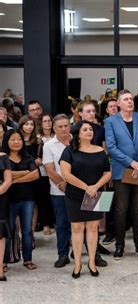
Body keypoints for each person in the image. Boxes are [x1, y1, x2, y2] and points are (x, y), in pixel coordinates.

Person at [104, 89, 138, 260]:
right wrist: (131, 163)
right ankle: (120, 246)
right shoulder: (110, 121)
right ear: (118, 103)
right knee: (121, 210)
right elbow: (111, 147)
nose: (130, 102)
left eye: (131, 99)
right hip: (121, 171)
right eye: (125, 99)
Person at [60, 121, 111, 279]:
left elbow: (107, 173)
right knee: (77, 228)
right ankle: (77, 264)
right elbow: (66, 174)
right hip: (75, 194)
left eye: (91, 129)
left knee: (93, 228)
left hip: (96, 194)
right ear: (77, 133)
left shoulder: (100, 151)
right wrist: (86, 187)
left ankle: (91, 262)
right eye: (85, 129)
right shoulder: (69, 151)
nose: (89, 131)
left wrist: (95, 187)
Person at [4, 129, 40, 270]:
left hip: (27, 199)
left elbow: (35, 175)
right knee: (8, 230)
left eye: (19, 139)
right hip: (9, 200)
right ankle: (4, 260)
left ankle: (28, 259)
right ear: (7, 141)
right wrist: (24, 173)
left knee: (27, 230)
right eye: (13, 139)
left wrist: (13, 179)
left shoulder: (28, 157)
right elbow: (5, 175)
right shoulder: (3, 158)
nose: (16, 142)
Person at [43, 114, 72, 268]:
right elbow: (50, 170)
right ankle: (63, 255)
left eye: (66, 125)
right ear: (54, 129)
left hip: (82, 189)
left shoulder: (77, 140)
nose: (64, 129)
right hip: (59, 191)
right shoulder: (48, 145)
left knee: (87, 223)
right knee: (62, 224)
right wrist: (63, 184)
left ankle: (94, 253)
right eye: (60, 126)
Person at [0, 151, 12, 281]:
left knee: (0, 234)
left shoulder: (3, 157)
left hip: (1, 196)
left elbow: (8, 180)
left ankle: (0, 269)